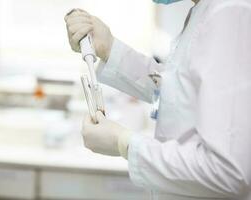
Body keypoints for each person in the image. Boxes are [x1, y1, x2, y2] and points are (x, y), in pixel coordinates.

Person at [64, 0, 251, 199]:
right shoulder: (206, 12)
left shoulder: (230, 13)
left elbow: (226, 172)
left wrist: (125, 143)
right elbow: (178, 93)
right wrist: (109, 48)